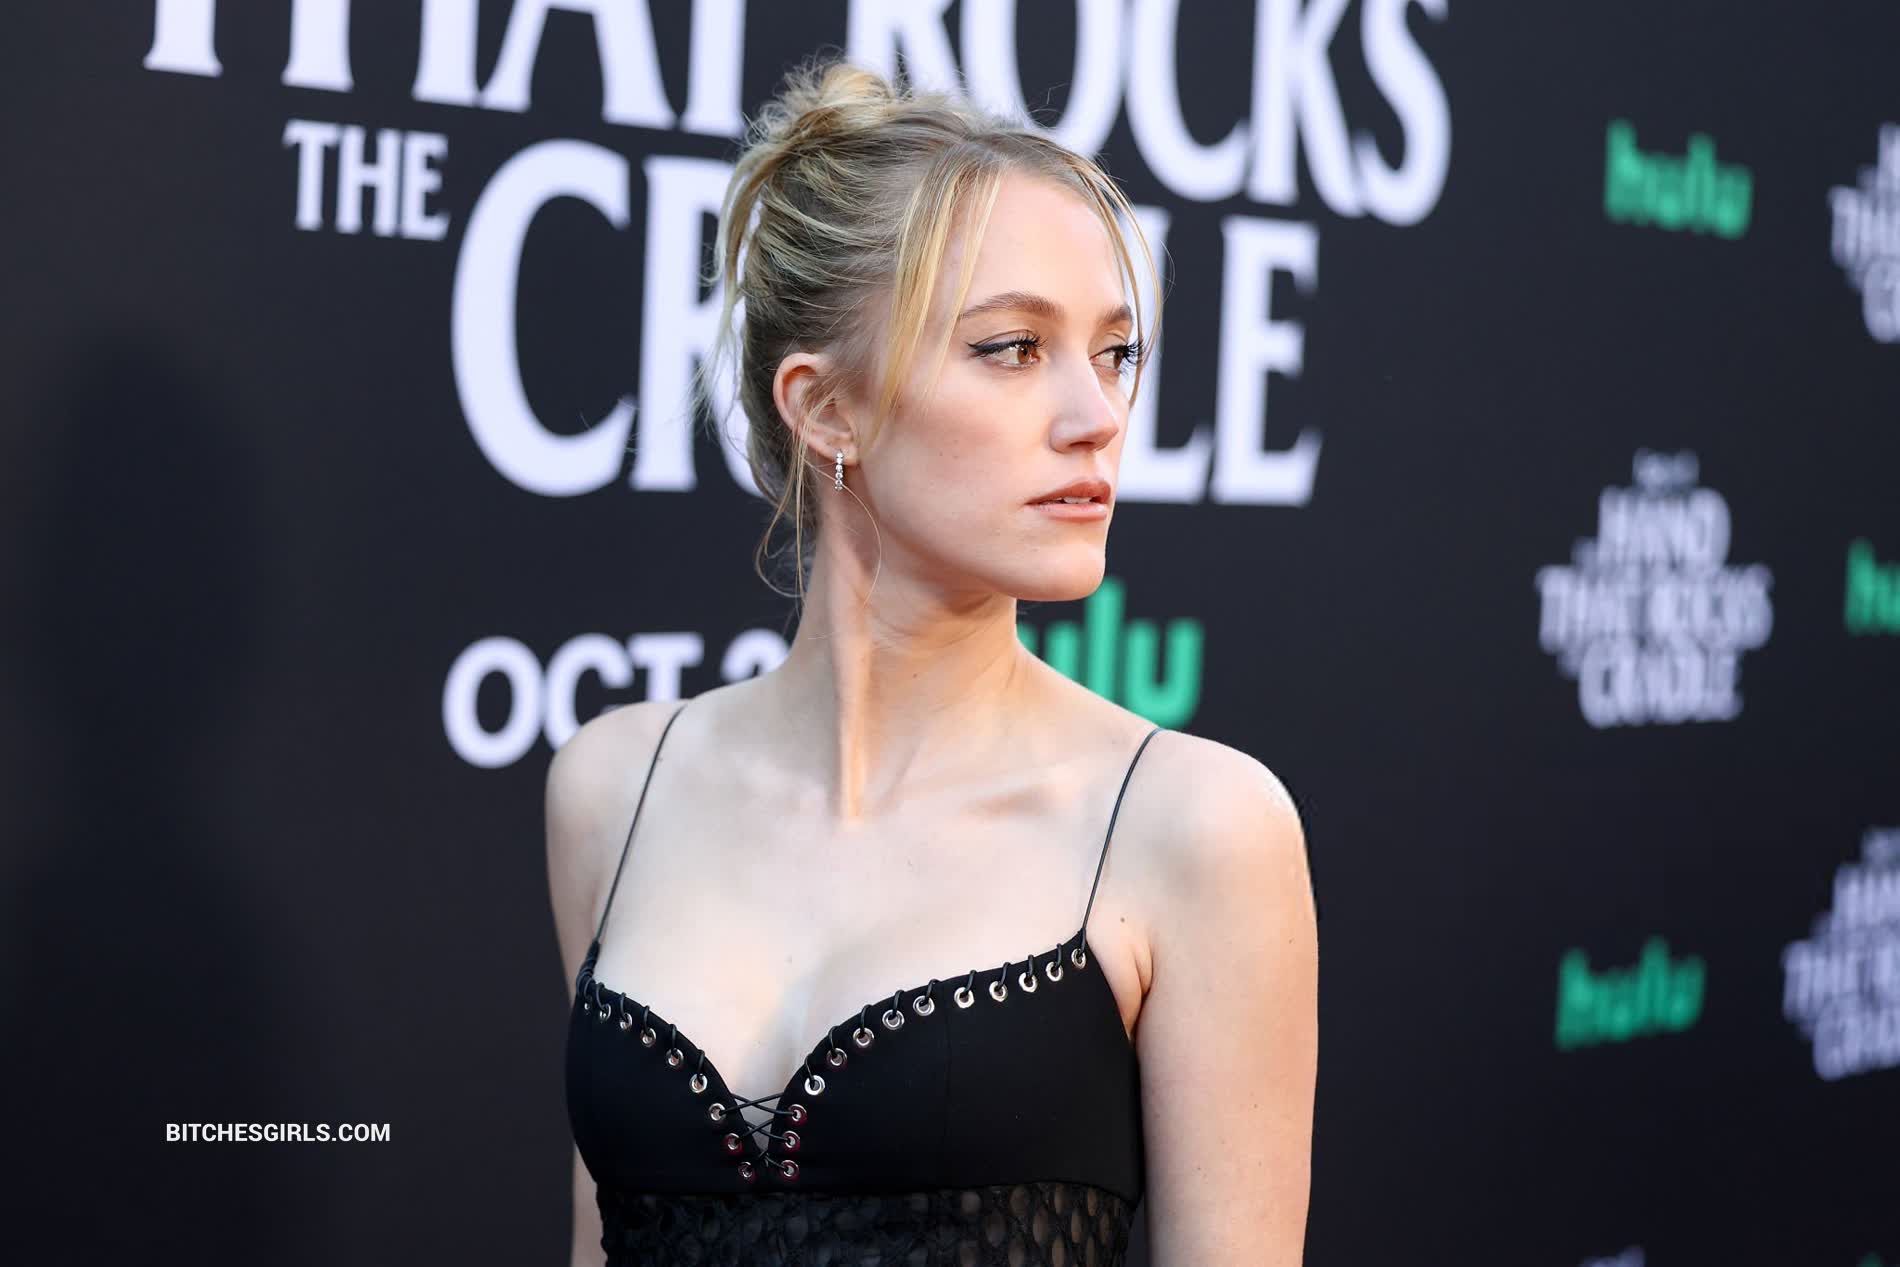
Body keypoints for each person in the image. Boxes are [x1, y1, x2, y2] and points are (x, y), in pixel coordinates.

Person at [545, 52, 1317, 1267]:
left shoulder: (1194, 828)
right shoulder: (615, 788)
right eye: (1012, 348)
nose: (1097, 417)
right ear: (825, 408)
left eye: (1114, 353)